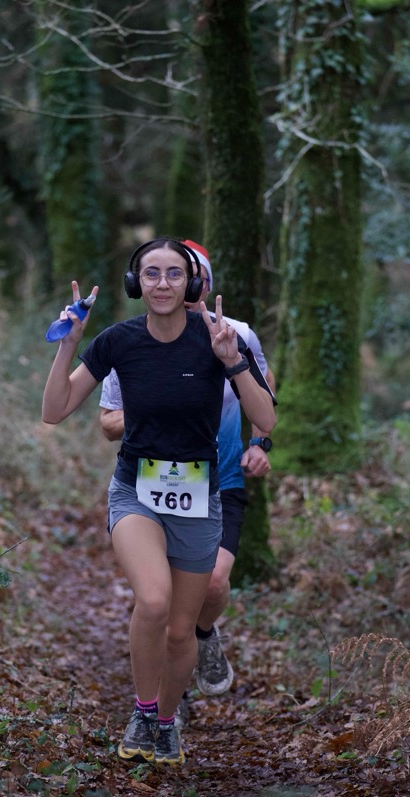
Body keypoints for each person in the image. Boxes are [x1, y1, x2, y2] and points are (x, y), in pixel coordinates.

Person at [41, 237, 277, 766]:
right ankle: (144, 712)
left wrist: (233, 362)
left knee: (179, 630)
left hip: (200, 494)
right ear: (136, 283)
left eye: (174, 273)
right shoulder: (117, 342)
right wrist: (68, 343)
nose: (163, 283)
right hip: (136, 489)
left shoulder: (219, 338)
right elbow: (54, 410)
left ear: (191, 283)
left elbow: (266, 419)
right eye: (152, 273)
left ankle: (167, 722)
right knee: (152, 601)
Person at [98, 240, 273, 728]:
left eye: (185, 278)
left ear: (201, 285)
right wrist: (154, 402)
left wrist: (261, 444)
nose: (174, 288)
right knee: (158, 600)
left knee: (212, 585)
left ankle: (202, 635)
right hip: (149, 483)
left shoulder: (234, 335)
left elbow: (266, 396)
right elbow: (107, 420)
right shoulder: (132, 343)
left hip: (220, 480)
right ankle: (164, 703)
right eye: (156, 275)